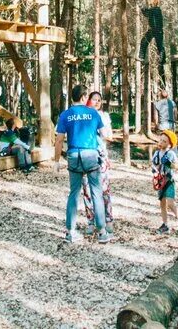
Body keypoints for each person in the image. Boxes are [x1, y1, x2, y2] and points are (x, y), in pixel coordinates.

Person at [55, 84, 111, 244]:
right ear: (84, 97)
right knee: (96, 192)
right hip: (91, 155)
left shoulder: (65, 115)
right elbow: (104, 134)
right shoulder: (93, 113)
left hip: (73, 154)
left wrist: (56, 161)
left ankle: (70, 232)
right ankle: (102, 231)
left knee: (74, 193)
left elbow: (59, 139)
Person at [81, 91, 114, 233]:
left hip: (100, 156)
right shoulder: (82, 115)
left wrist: (101, 131)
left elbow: (109, 135)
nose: (96, 102)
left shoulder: (104, 116)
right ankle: (90, 220)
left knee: (104, 189)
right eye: (94, 99)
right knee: (87, 190)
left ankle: (108, 219)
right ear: (88, 100)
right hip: (85, 155)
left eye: (99, 100)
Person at [152, 129, 178, 235]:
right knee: (162, 204)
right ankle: (165, 225)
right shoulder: (156, 153)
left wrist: (170, 164)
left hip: (169, 181)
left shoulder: (171, 154)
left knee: (170, 203)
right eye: (160, 140)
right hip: (160, 182)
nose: (161, 143)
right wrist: (154, 170)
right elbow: (153, 165)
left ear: (170, 144)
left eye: (164, 141)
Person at [140, 0, 166, 81]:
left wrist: (142, 7)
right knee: (160, 46)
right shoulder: (157, 10)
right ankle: (162, 60)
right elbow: (147, 13)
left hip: (155, 30)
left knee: (144, 42)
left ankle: (141, 57)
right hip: (158, 30)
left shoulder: (154, 10)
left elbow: (146, 13)